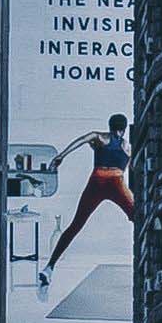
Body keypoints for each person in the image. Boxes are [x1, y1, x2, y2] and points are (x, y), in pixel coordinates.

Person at [45, 115, 136, 280]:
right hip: (116, 182)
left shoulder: (100, 137)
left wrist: (61, 156)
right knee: (136, 215)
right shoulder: (127, 147)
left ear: (110, 126)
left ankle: (49, 267)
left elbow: (81, 141)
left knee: (76, 224)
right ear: (123, 129)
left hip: (97, 181)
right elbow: (133, 168)